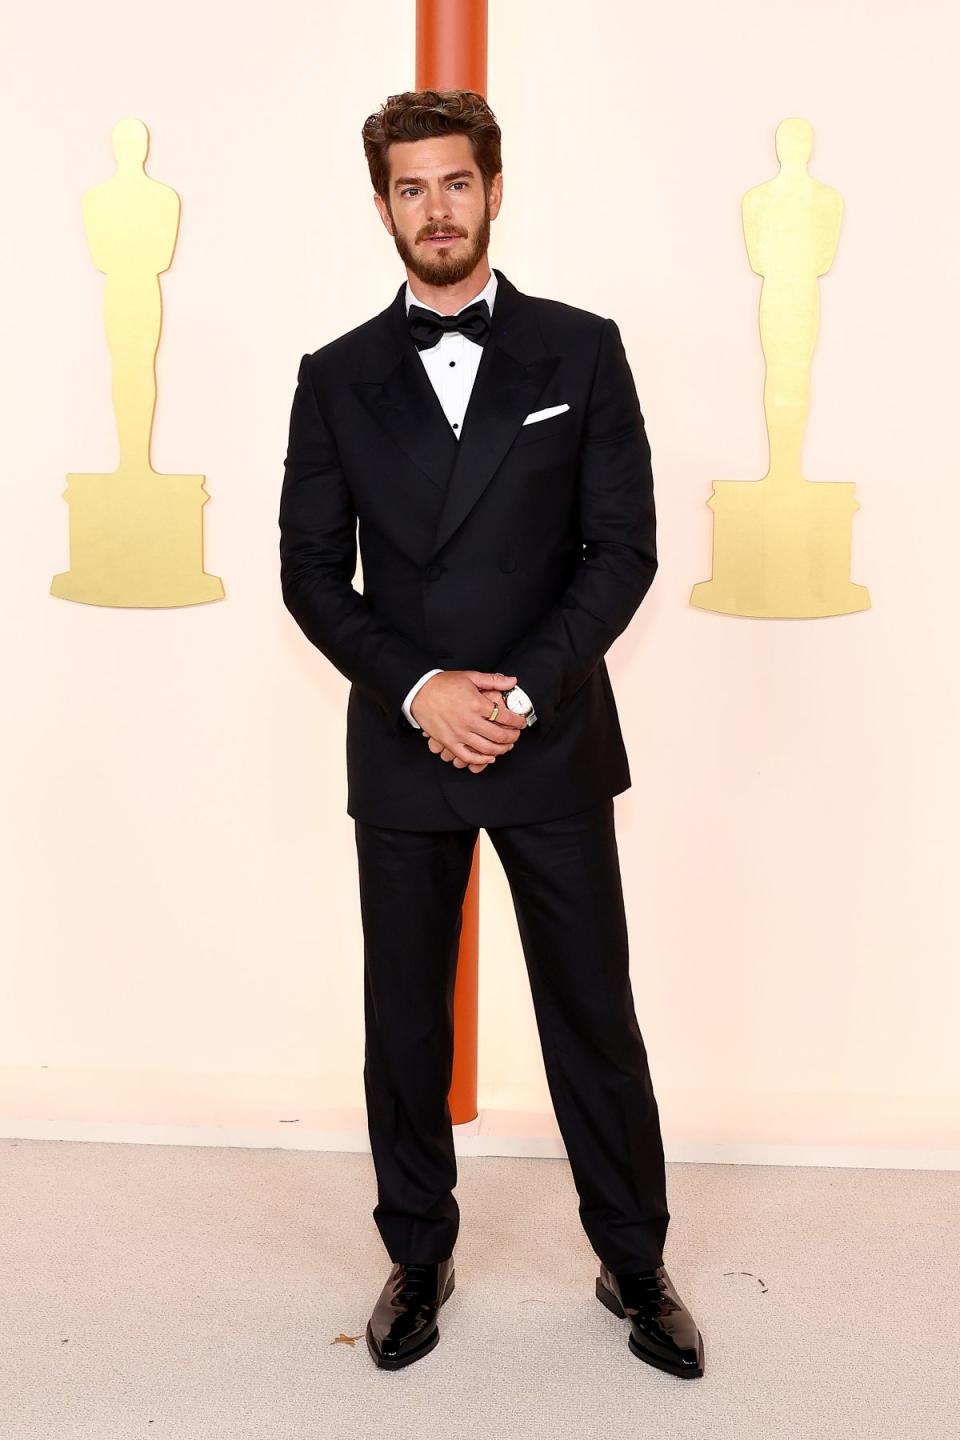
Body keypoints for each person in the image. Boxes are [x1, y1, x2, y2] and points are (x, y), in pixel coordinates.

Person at [278, 88, 704, 1379]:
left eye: (455, 183)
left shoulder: (580, 351)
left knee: (592, 1011)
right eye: (410, 190)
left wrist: (514, 692)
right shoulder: (336, 375)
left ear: (494, 189)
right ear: (383, 207)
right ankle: (417, 1251)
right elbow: (309, 573)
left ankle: (634, 1259)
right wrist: (424, 692)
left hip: (551, 735)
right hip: (408, 744)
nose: (436, 210)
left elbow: (621, 549)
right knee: (405, 1022)